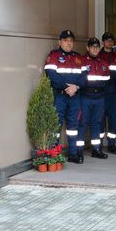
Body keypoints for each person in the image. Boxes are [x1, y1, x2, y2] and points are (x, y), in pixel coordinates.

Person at [44, 30, 87, 164]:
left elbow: (84, 77)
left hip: (75, 96)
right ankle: (54, 155)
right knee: (56, 125)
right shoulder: (54, 56)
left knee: (73, 126)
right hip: (60, 96)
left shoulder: (79, 58)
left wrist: (76, 87)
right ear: (60, 42)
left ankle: (73, 154)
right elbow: (51, 75)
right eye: (66, 40)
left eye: (71, 41)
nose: (69, 43)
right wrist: (66, 87)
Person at [77, 37, 109, 161]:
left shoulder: (104, 63)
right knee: (83, 123)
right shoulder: (82, 61)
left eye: (97, 47)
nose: (95, 49)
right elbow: (81, 79)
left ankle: (96, 149)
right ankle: (79, 151)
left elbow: (106, 80)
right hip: (86, 96)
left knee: (96, 123)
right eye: (92, 47)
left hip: (99, 97)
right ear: (88, 48)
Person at [99, 32, 116, 155]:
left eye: (111, 40)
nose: (110, 42)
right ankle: (99, 144)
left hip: (113, 92)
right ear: (103, 42)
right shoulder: (99, 56)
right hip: (101, 92)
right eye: (107, 41)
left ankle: (112, 145)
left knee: (113, 119)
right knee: (100, 119)